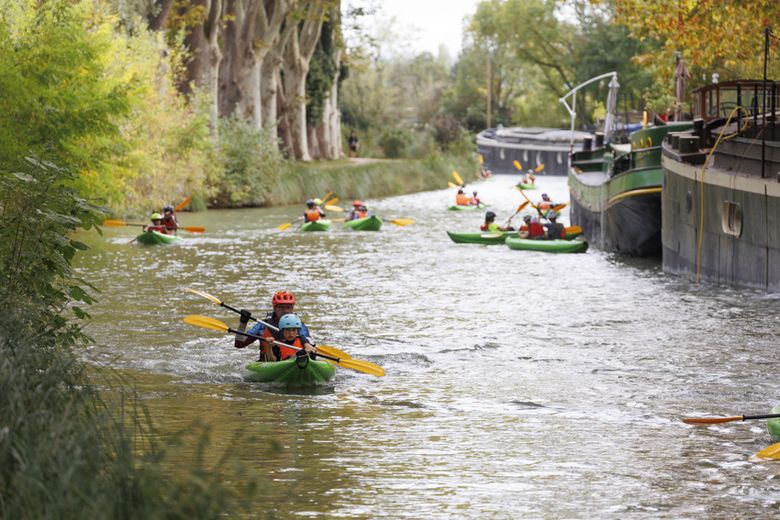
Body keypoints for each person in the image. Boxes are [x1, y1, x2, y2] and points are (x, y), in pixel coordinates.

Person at [234, 291, 316, 361]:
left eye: (289, 307)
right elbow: (240, 344)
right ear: (274, 308)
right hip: (269, 362)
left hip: (296, 359)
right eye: (281, 307)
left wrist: (307, 345)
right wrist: (243, 323)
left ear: (292, 308)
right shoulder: (263, 325)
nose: (286, 311)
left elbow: (310, 344)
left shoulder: (298, 325)